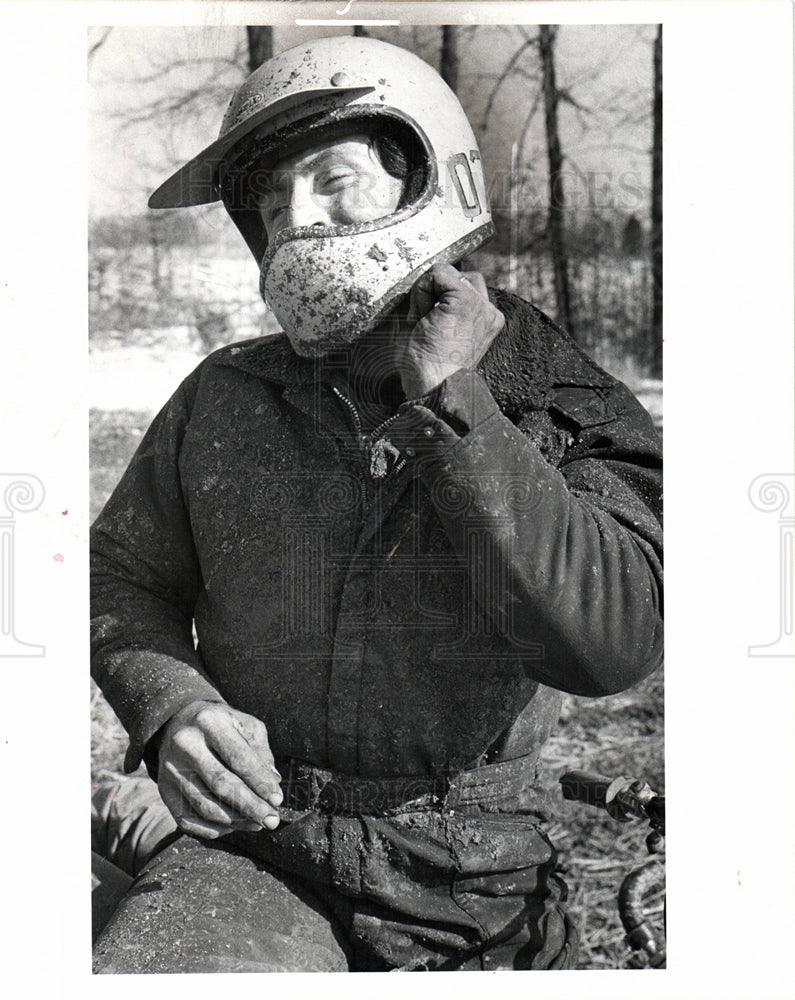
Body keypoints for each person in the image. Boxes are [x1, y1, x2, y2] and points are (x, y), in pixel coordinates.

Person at [91, 35, 663, 973]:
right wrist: (171, 707)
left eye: (334, 182)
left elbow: (609, 644)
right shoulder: (224, 396)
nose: (297, 226)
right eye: (272, 207)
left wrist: (455, 405)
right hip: (257, 851)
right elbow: (117, 573)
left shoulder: (553, 392)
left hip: (475, 878)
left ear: (428, 180)